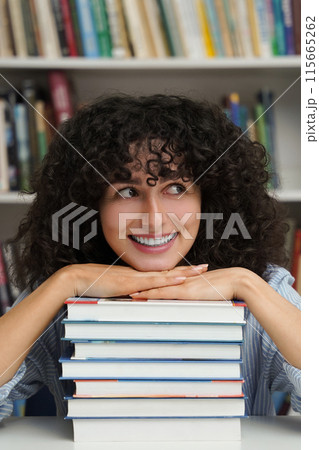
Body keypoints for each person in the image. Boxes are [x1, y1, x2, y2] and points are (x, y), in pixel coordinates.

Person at [0, 94, 300, 420]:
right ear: (92, 205)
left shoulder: (261, 282)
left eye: (176, 189)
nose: (154, 218)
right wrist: (67, 281)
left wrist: (246, 284)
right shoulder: (60, 287)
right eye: (128, 192)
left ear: (208, 201)